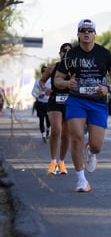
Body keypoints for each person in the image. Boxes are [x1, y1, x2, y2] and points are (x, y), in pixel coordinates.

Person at [54, 19, 111, 192]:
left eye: (90, 30)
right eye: (83, 30)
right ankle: (81, 180)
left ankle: (91, 152)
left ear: (94, 34)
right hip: (76, 100)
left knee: (97, 145)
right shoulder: (71, 55)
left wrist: (108, 88)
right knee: (76, 136)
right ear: (77, 34)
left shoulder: (105, 54)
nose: (86, 33)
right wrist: (66, 83)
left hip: (98, 102)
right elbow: (57, 79)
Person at [39, 43, 72, 175]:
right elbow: (41, 81)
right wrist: (45, 88)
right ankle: (53, 162)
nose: (67, 53)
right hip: (54, 101)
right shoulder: (53, 67)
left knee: (66, 135)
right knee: (56, 129)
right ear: (60, 53)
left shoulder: (75, 68)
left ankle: (62, 162)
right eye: (64, 51)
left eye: (70, 51)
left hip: (70, 103)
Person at [31, 65, 51, 142]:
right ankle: (43, 135)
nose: (45, 73)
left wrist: (50, 93)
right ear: (41, 72)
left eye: (46, 71)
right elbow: (33, 92)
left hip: (49, 103)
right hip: (40, 103)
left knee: (48, 120)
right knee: (41, 120)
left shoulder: (51, 80)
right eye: (43, 71)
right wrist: (38, 95)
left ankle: (48, 129)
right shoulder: (38, 81)